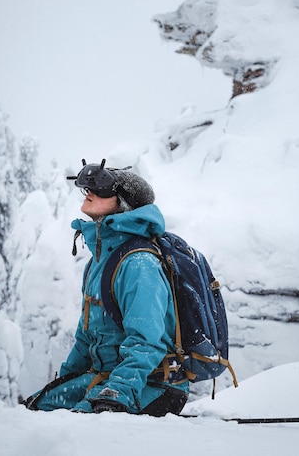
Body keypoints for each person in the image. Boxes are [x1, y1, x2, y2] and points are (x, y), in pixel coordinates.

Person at [23, 159, 189, 416]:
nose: (90, 193)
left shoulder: (139, 264)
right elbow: (86, 339)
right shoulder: (100, 261)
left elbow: (146, 343)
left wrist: (118, 391)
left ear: (124, 204)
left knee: (72, 426)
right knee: (33, 410)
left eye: (102, 189)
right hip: (107, 379)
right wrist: (63, 384)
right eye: (88, 187)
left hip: (152, 386)